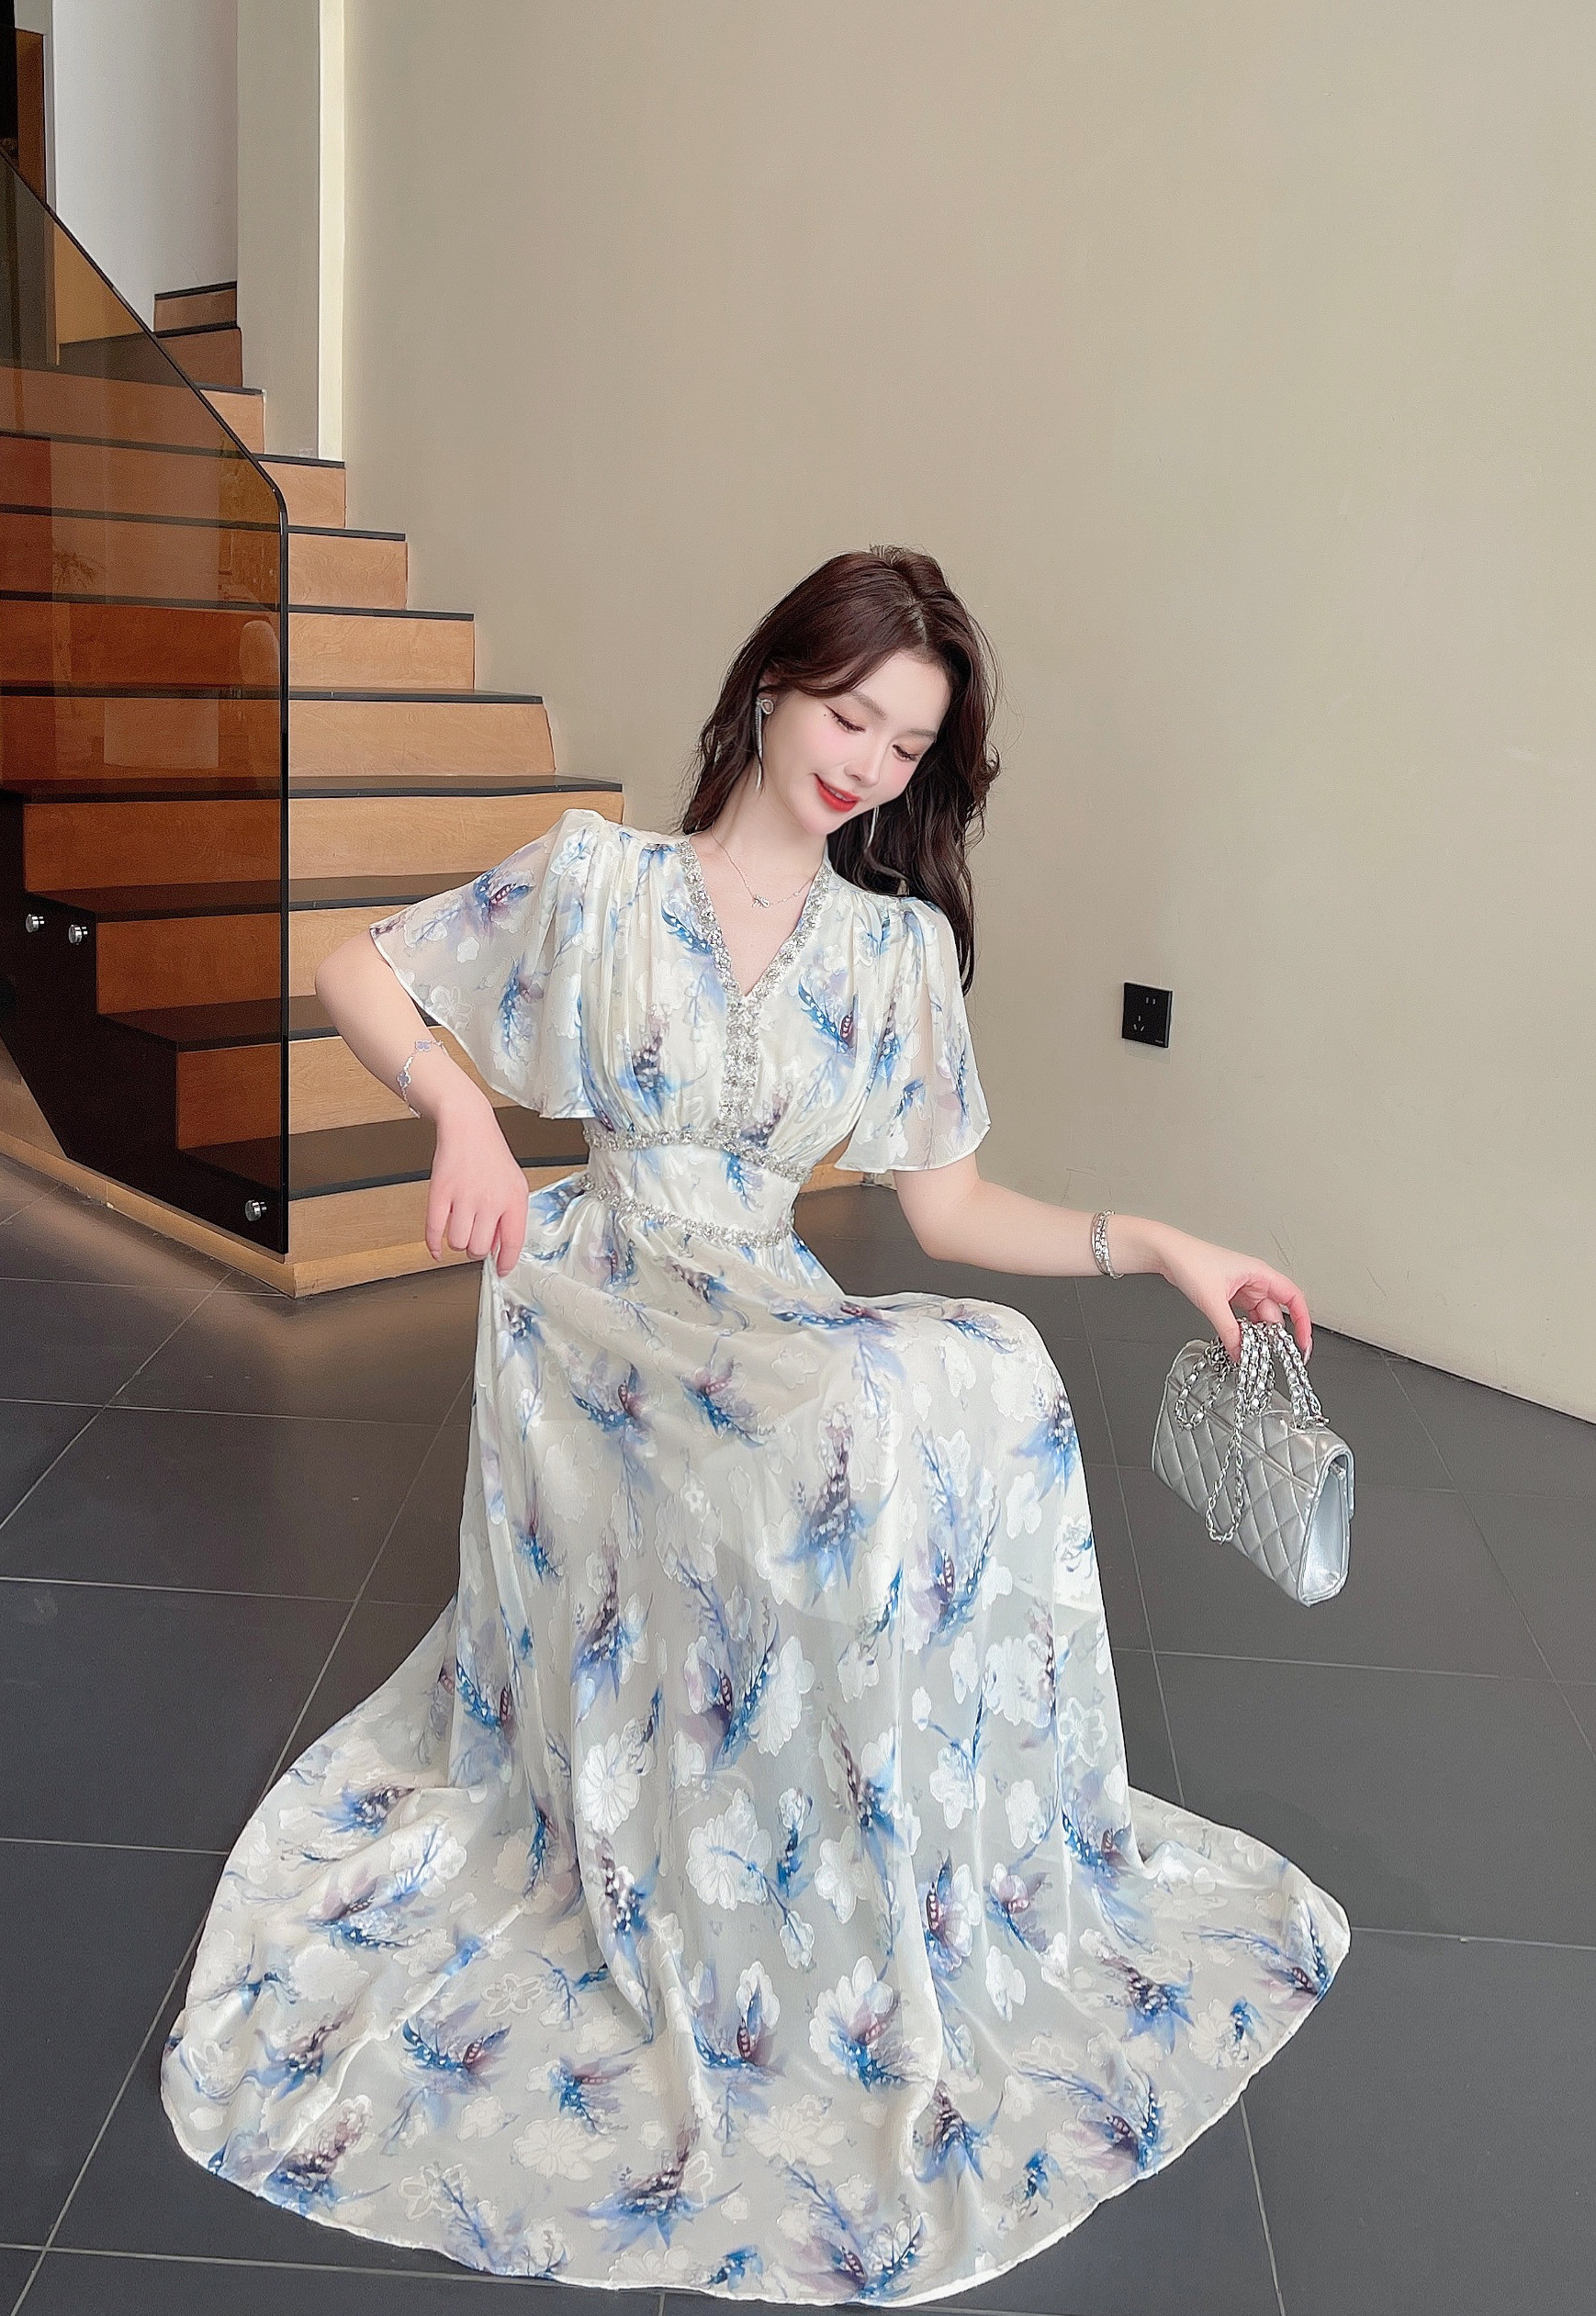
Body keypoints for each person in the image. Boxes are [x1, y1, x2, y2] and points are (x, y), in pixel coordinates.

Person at [161, 547, 1348, 2299]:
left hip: (762, 1303)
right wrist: (459, 1113)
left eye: (907, 745)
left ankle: (877, 1839)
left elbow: (950, 1211)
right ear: (775, 684)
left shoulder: (894, 948)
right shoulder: (598, 877)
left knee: (986, 1366)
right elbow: (360, 969)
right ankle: (740, 1829)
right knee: (860, 1403)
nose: (869, 762)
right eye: (851, 714)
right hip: (597, 1300)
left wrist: (1164, 1245)